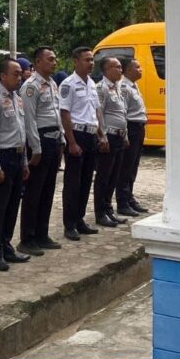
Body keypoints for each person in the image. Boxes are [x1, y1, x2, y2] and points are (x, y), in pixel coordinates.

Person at [0, 57, 31, 271]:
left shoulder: (17, 98)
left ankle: (6, 245)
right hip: (2, 157)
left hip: (17, 156)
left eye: (21, 73)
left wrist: (24, 162)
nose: (19, 77)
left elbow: (21, 132)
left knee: (13, 205)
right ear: (3, 76)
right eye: (15, 74)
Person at [60, 46, 108, 241]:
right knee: (73, 183)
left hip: (91, 136)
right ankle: (69, 224)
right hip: (77, 135)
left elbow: (95, 112)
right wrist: (71, 142)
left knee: (86, 181)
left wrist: (101, 135)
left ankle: (79, 219)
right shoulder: (68, 84)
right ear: (75, 62)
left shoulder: (92, 84)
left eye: (92, 60)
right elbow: (65, 113)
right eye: (87, 60)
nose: (91, 63)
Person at [19, 47, 64, 255]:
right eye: (50, 59)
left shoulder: (52, 84)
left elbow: (56, 114)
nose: (54, 62)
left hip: (54, 139)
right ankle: (27, 238)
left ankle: (41, 234)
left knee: (48, 190)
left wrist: (62, 140)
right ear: (37, 62)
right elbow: (29, 119)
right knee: (34, 192)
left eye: (55, 59)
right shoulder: (31, 86)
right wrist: (35, 148)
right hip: (39, 140)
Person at [92, 57, 129, 228]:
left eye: (121, 67)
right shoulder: (102, 88)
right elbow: (99, 113)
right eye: (117, 67)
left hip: (119, 137)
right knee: (103, 177)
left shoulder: (117, 87)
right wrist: (103, 136)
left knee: (114, 176)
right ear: (107, 69)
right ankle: (100, 213)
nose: (121, 70)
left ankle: (108, 210)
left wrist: (125, 136)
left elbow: (121, 113)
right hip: (109, 138)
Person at [117, 57, 150, 217]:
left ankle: (129, 198)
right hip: (131, 128)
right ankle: (122, 202)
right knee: (126, 167)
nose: (140, 69)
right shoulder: (124, 87)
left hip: (139, 127)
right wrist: (125, 134)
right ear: (128, 70)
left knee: (133, 166)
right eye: (137, 67)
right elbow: (123, 112)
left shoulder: (133, 86)